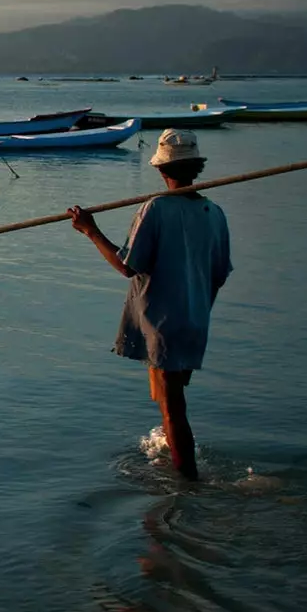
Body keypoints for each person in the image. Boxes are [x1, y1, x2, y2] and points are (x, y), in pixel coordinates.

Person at [67, 129, 233, 480]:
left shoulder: (155, 209)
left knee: (173, 407)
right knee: (166, 398)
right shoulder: (214, 213)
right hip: (194, 320)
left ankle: (187, 483)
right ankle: (171, 459)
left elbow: (128, 265)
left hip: (163, 322)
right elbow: (218, 275)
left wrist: (90, 231)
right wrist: (198, 312)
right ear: (195, 168)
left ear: (161, 170)